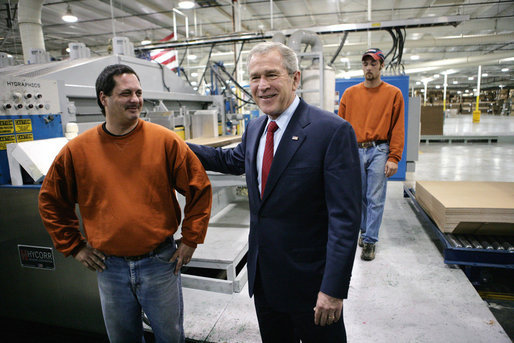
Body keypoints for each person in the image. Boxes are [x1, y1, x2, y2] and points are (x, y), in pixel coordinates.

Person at [188, 42, 361, 342]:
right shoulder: (256, 127)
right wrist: (175, 145)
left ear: (295, 79)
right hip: (265, 280)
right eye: (255, 77)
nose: (262, 86)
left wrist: (333, 289)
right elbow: (231, 160)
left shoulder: (331, 131)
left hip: (312, 286)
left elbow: (345, 220)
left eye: (271, 75)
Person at [38, 64, 212, 343]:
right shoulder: (77, 151)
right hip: (109, 267)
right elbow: (50, 200)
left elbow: (199, 188)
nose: (135, 99)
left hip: (160, 262)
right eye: (126, 93)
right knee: (122, 338)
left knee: (170, 336)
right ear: (103, 98)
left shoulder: (165, 141)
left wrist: (191, 239)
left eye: (139, 92)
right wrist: (74, 246)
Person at [337, 48, 405, 261]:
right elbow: (341, 127)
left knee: (375, 197)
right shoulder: (350, 94)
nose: (368, 67)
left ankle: (370, 241)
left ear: (381, 66)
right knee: (359, 197)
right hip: (354, 149)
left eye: (373, 64)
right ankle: (365, 230)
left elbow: (398, 127)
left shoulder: (393, 94)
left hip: (379, 149)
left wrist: (394, 158)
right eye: (365, 64)